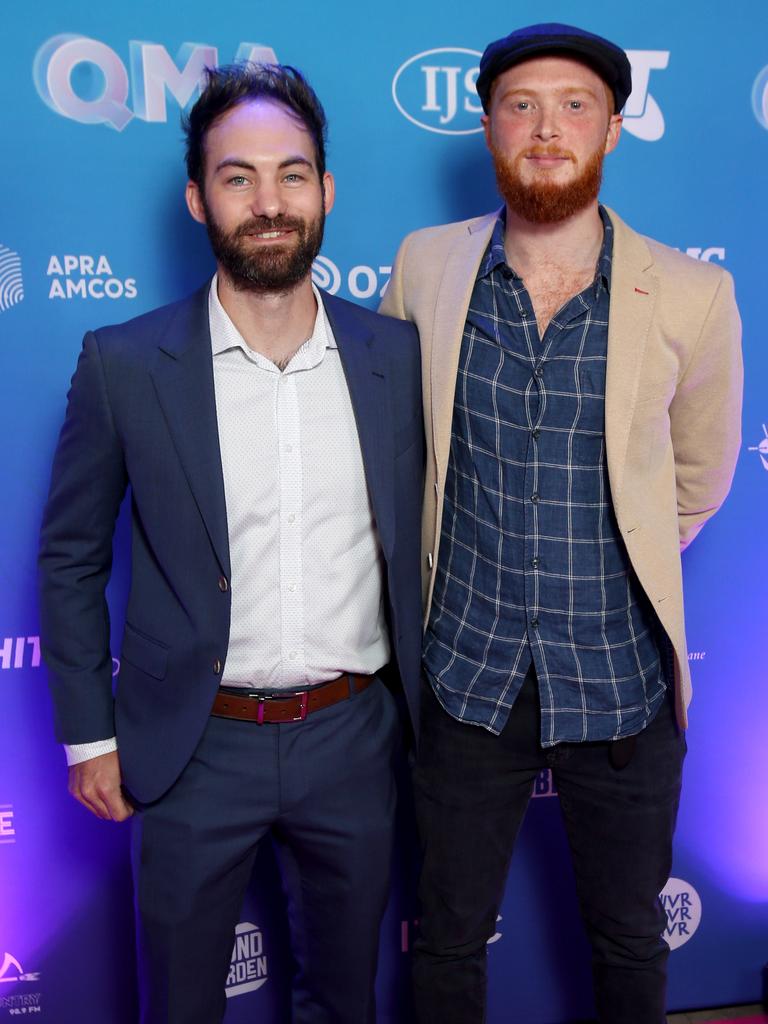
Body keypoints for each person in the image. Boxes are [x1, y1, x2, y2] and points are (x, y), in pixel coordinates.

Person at [38, 62, 423, 1024]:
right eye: (238, 176)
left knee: (345, 999)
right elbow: (71, 557)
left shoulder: (398, 358)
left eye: (292, 174)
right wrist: (90, 735)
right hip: (191, 745)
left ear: (326, 192)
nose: (269, 202)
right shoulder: (123, 364)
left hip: (355, 737)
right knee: (179, 1004)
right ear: (198, 199)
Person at [380, 22, 742, 1024]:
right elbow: (399, 446)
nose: (548, 128)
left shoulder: (693, 292)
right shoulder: (425, 267)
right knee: (446, 935)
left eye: (575, 106)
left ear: (613, 130)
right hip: (465, 675)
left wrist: (609, 564)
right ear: (490, 130)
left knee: (629, 937)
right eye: (522, 107)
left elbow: (701, 475)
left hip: (618, 681)